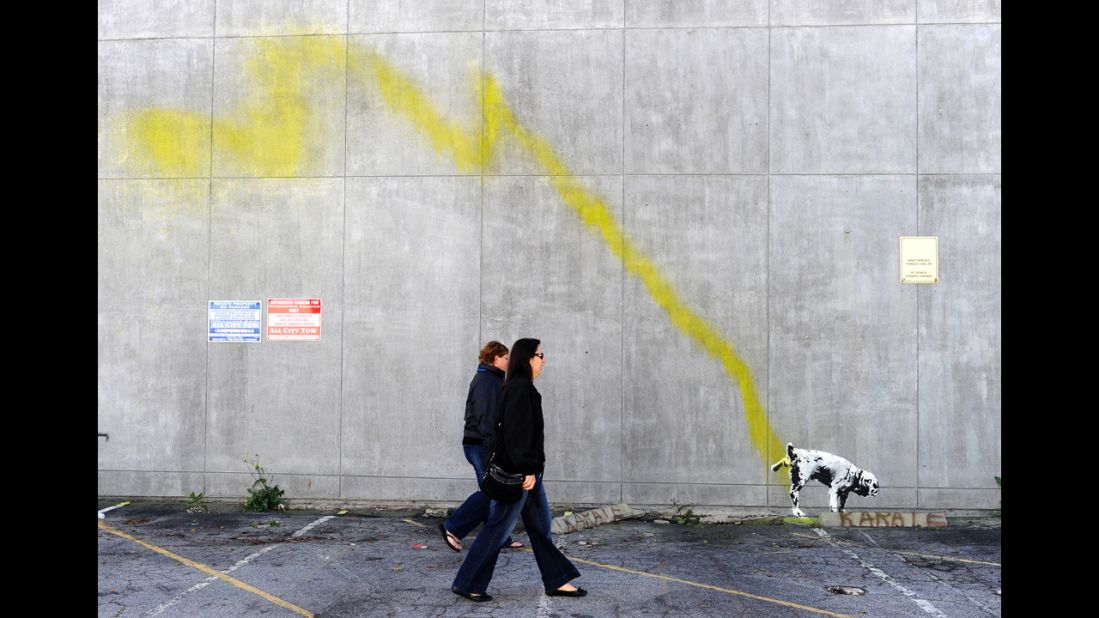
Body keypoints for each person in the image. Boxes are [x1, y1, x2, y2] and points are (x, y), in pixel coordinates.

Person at [450, 338, 586, 602]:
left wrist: (532, 471)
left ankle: (557, 580)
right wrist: (527, 472)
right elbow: (516, 436)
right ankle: (468, 582)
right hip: (519, 475)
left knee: (540, 528)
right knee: (498, 529)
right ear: (527, 358)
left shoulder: (523, 388)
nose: (544, 359)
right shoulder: (520, 389)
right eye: (540, 355)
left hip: (529, 473)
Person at [438, 341, 523, 552]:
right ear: (495, 358)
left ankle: (500, 536)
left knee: (494, 491)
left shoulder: (493, 379)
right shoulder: (486, 381)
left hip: (482, 444)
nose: (508, 362)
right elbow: (486, 420)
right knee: (491, 491)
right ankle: (454, 527)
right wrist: (496, 448)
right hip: (480, 445)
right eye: (505, 358)